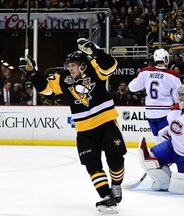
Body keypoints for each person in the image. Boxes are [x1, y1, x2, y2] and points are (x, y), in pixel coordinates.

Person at [19, 38, 127, 214]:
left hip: (106, 123)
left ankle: (116, 185)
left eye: (73, 65)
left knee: (116, 159)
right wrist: (33, 73)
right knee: (92, 165)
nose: (70, 68)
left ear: (82, 65)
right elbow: (46, 90)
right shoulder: (62, 78)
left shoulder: (94, 68)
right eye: (68, 65)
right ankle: (107, 196)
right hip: (84, 130)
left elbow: (111, 65)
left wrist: (96, 52)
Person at [138, 83, 184, 194]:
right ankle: (165, 181)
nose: (181, 97)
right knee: (150, 158)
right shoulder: (175, 109)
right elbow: (178, 124)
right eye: (180, 95)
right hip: (172, 146)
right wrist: (168, 131)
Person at [128, 48, 181, 144]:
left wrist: (137, 77)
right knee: (166, 138)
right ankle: (165, 157)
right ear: (165, 59)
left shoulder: (145, 72)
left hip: (150, 112)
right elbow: (178, 96)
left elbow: (132, 88)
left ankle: (158, 155)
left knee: (156, 137)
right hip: (165, 112)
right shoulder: (172, 75)